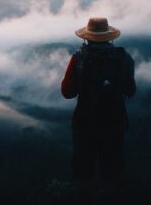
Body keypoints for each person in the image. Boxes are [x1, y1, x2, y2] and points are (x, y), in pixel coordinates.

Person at [61, 17, 136, 204]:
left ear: (86, 38)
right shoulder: (124, 58)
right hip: (114, 121)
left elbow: (67, 92)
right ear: (110, 37)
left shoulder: (78, 58)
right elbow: (130, 90)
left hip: (85, 123)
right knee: (113, 169)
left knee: (83, 170)